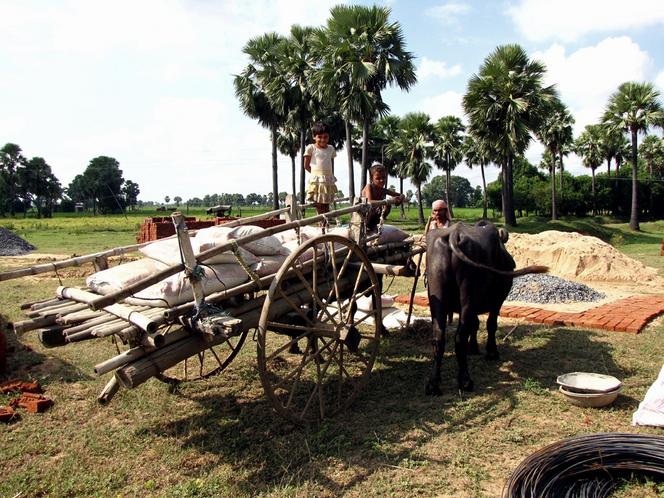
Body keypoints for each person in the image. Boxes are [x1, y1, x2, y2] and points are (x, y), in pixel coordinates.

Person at [304, 122, 338, 216]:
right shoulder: (311, 148)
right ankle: (321, 223)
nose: (323, 140)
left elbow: (330, 164)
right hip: (317, 180)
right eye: (320, 137)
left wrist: (328, 176)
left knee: (326, 204)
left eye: (325, 137)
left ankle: (324, 225)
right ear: (314, 136)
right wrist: (316, 176)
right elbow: (306, 166)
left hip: (327, 179)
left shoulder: (331, 149)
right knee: (319, 204)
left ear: (328, 137)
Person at [361, 162, 405, 231]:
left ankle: (375, 225)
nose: (381, 180)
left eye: (383, 177)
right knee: (373, 208)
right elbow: (369, 202)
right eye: (378, 178)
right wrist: (385, 202)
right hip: (363, 218)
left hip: (375, 219)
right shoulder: (369, 187)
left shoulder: (383, 190)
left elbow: (401, 195)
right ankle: (366, 227)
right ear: (372, 179)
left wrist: (400, 198)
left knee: (387, 205)